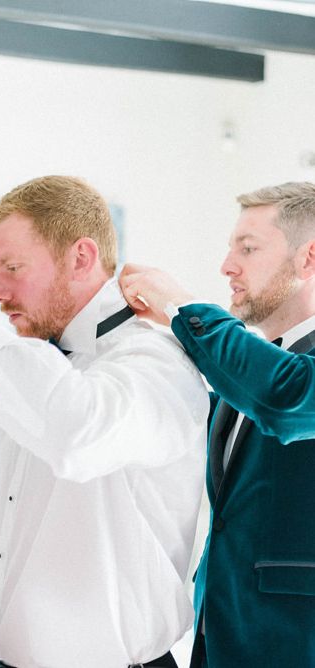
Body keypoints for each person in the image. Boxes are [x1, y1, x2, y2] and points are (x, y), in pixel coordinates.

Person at [0, 175, 209, 667]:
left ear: (81, 257)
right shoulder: (20, 365)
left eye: (12, 267)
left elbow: (77, 433)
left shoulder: (157, 362)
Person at [119, 181, 315, 668]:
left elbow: (284, 398)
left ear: (309, 258)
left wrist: (181, 307)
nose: (227, 266)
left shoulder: (281, 379)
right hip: (222, 632)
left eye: (247, 249)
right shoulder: (257, 371)